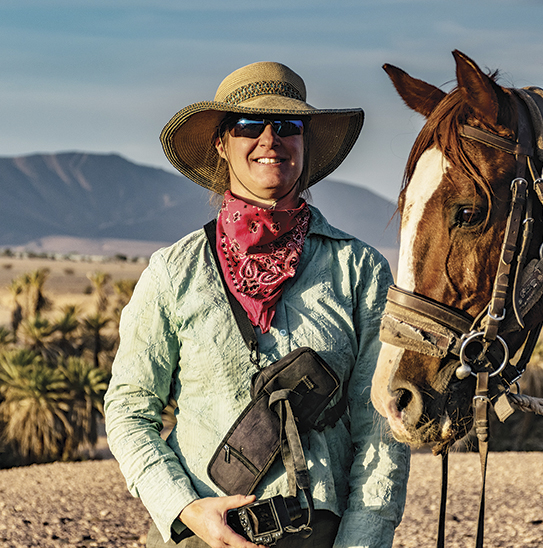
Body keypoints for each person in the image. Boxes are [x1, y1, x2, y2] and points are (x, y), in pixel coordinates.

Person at [104, 61, 410, 548]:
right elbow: (128, 409)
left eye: (288, 125)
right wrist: (185, 509)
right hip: (203, 536)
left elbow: (380, 427)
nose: (271, 139)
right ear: (222, 143)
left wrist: (364, 540)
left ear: (305, 145)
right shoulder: (173, 272)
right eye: (250, 125)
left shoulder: (360, 270)